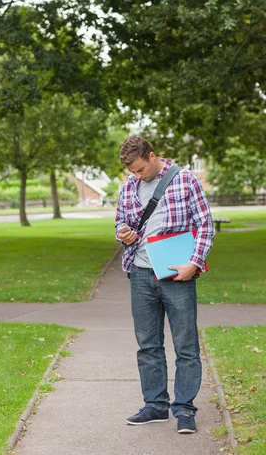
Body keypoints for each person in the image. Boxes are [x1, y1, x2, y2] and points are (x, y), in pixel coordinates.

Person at [115, 136, 215, 434]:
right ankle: (156, 405)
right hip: (141, 274)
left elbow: (205, 224)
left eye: (140, 169)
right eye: (132, 171)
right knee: (148, 345)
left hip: (175, 274)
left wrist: (194, 263)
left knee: (186, 346)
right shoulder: (129, 188)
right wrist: (123, 233)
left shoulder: (184, 180)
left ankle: (184, 409)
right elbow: (121, 222)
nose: (137, 175)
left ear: (152, 156)